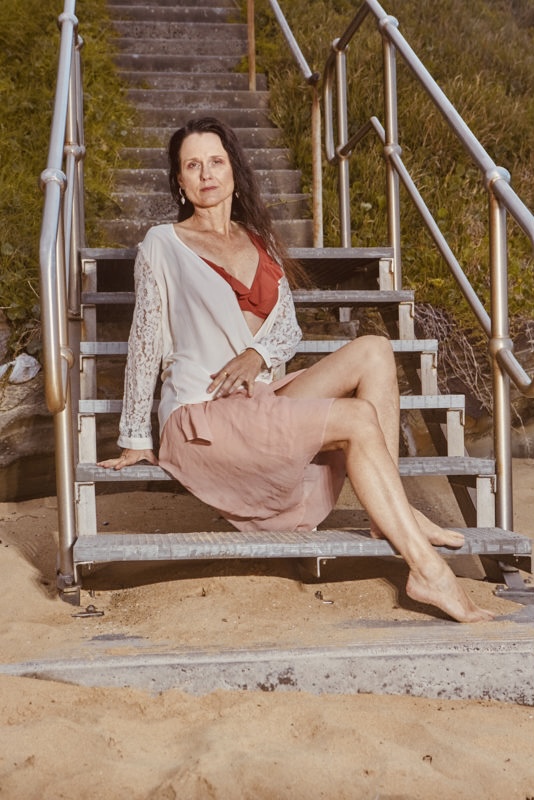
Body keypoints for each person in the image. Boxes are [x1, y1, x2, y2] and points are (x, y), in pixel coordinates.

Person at [99, 116, 493, 623]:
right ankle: (428, 571)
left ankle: (389, 512)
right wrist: (135, 434)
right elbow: (144, 340)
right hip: (204, 415)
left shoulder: (258, 240)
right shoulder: (163, 244)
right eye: (192, 166)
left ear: (234, 171)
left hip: (259, 400)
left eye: (216, 161)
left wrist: (257, 356)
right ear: (179, 181)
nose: (206, 174)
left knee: (374, 349)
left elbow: (286, 328)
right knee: (356, 418)